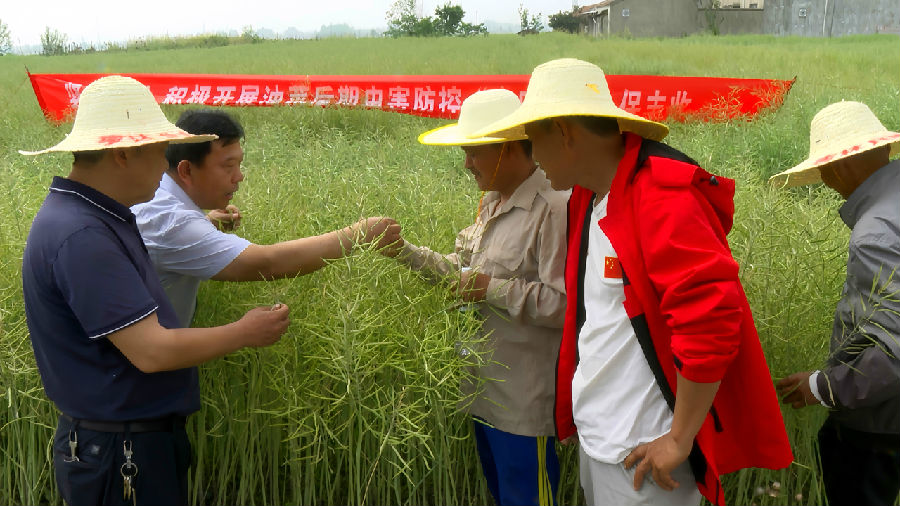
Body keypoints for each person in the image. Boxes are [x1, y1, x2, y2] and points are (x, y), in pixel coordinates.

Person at [472, 59, 793, 506]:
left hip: (647, 455)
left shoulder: (662, 196)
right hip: (602, 439)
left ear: (564, 133)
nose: (533, 156)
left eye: (534, 139)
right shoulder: (591, 195)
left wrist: (679, 440)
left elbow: (713, 321)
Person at [19, 75, 291, 506]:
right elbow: (151, 351)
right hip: (119, 454)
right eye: (159, 152)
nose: (167, 166)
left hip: (121, 445)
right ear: (123, 154)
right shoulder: (83, 234)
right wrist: (244, 331)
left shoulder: (94, 216)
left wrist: (207, 221)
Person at [386, 89, 569, 506]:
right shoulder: (491, 203)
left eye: (474, 152)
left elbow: (563, 304)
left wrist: (491, 289)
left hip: (523, 404)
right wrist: (405, 252)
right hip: (481, 392)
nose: (466, 163)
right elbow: (463, 273)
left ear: (508, 147)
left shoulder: (553, 209)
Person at [131, 109, 400, 327]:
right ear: (187, 170)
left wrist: (208, 222)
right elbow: (266, 263)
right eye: (228, 166)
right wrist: (358, 234)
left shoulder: (161, 198)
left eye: (239, 164)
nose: (239, 177)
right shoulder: (170, 221)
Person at [771, 101, 900, 506]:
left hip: (880, 426)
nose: (825, 181)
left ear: (836, 168)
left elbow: (892, 349)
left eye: (823, 171)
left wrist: (822, 386)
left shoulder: (875, 232)